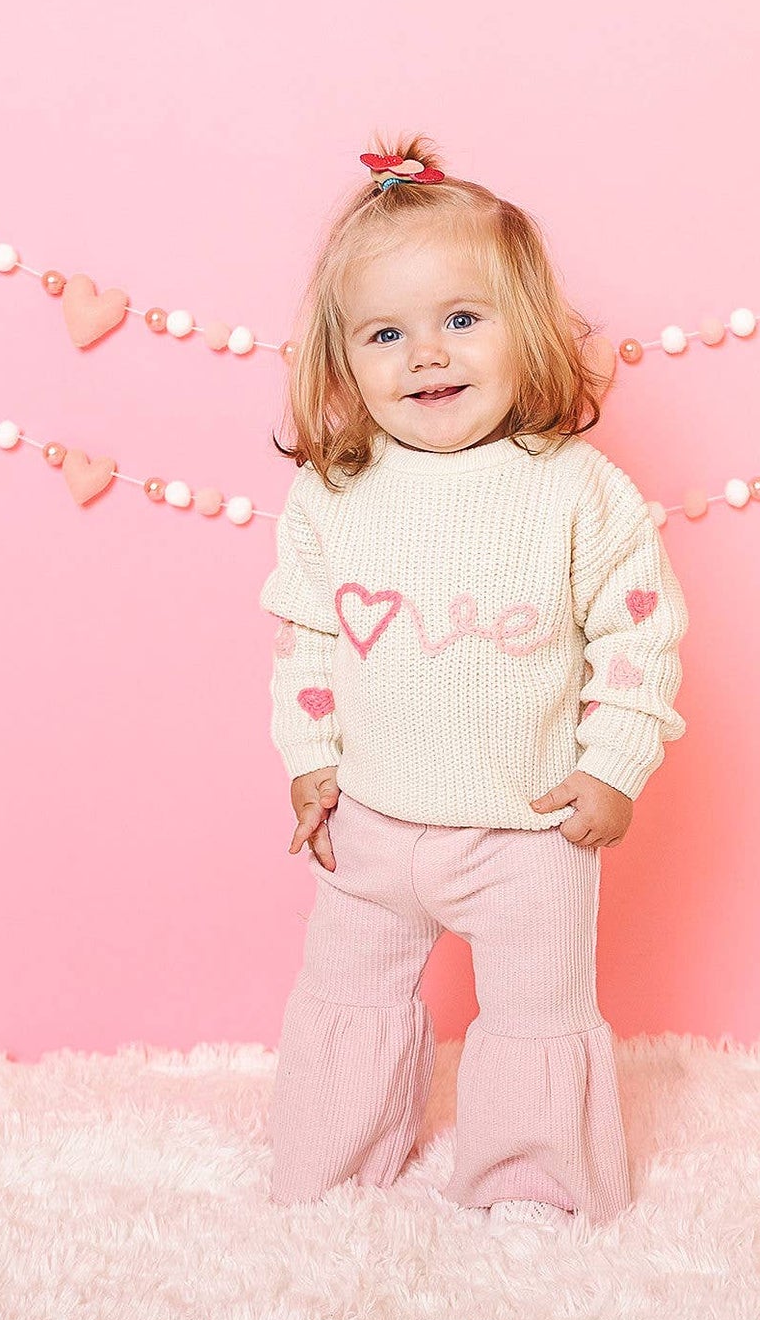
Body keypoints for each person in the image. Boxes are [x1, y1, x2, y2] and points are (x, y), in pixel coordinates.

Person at [258, 134, 689, 1231]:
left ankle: (532, 1181)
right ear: (342, 359)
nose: (426, 356)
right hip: (373, 827)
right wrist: (311, 763)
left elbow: (636, 639)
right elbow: (305, 640)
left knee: (538, 1010)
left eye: (461, 319)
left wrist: (613, 763)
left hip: (529, 827)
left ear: (526, 329)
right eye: (386, 333)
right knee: (348, 995)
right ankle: (331, 1163)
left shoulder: (577, 491)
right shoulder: (333, 492)